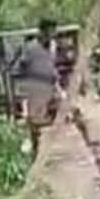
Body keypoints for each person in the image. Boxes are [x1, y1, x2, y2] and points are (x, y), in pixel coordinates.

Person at [14, 19, 62, 153]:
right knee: (34, 120)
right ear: (43, 31)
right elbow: (21, 66)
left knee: (58, 112)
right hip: (34, 86)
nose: (52, 34)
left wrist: (55, 79)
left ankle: (51, 147)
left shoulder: (53, 47)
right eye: (50, 31)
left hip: (49, 85)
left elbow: (51, 65)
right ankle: (35, 146)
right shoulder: (31, 48)